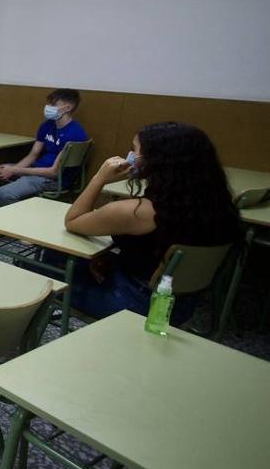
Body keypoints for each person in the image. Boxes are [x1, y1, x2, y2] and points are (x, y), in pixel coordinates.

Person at [62, 122, 239, 323]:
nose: (130, 155)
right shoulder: (216, 204)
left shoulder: (137, 212)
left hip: (135, 304)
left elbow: (73, 220)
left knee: (52, 257)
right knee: (95, 259)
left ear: (155, 160)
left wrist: (100, 177)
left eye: (134, 149)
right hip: (181, 304)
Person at [0, 88, 88, 207]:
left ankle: (11, 223)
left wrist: (15, 170)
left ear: (68, 108)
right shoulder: (47, 125)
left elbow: (54, 172)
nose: (48, 107)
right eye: (49, 103)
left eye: (54, 104)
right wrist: (10, 171)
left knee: (4, 193)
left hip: (53, 180)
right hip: (35, 170)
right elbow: (33, 155)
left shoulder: (75, 134)